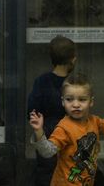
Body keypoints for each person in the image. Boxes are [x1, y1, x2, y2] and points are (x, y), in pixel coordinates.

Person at [29, 73, 104, 186]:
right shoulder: (64, 127)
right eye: (69, 99)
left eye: (82, 99)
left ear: (91, 102)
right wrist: (39, 131)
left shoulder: (95, 121)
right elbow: (47, 152)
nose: (75, 104)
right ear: (62, 102)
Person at [27, 35, 77, 186]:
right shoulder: (75, 82)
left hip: (47, 132)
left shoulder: (41, 81)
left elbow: (32, 110)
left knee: (46, 171)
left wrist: (39, 129)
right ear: (73, 59)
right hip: (71, 133)